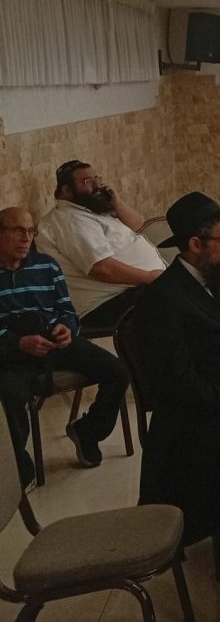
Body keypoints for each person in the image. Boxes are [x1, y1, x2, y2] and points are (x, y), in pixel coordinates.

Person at [135, 192, 220, 561]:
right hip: (202, 414)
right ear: (195, 244)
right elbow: (177, 385)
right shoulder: (162, 301)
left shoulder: (216, 275)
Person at [0, 207, 128, 484]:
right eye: (18, 231)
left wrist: (67, 328)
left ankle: (87, 431)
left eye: (30, 231)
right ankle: (18, 469)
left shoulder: (47, 266)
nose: (26, 238)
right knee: (10, 394)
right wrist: (18, 343)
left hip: (54, 342)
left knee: (118, 371)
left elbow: (67, 310)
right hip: (12, 353)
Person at [38, 159, 165, 333]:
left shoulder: (88, 209)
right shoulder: (70, 220)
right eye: (87, 181)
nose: (97, 185)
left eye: (97, 179)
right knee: (180, 297)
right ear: (66, 190)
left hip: (130, 291)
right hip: (107, 303)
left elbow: (138, 224)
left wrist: (117, 203)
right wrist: (150, 277)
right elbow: (101, 268)